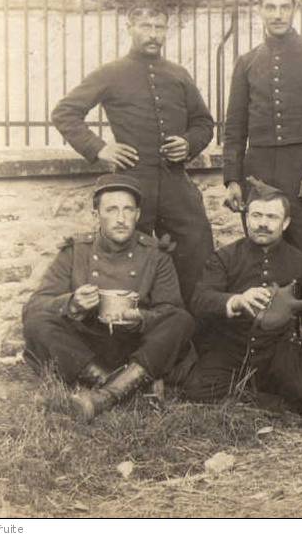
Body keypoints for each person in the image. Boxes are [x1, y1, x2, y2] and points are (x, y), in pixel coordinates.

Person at [51, 5, 215, 304]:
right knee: (131, 260)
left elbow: (204, 123)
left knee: (198, 250)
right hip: (132, 185)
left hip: (176, 184)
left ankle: (193, 333)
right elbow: (64, 113)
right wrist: (100, 148)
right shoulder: (111, 73)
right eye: (145, 26)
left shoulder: (178, 74)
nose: (153, 34)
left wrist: (188, 143)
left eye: (159, 27)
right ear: (130, 27)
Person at [22, 174, 196, 422]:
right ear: (96, 215)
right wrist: (71, 303)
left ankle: (102, 397)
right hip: (86, 349)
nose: (121, 218)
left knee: (182, 320)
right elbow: (34, 307)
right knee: (37, 323)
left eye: (128, 210)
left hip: (137, 347)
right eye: (112, 210)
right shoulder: (76, 251)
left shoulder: (156, 255)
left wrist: (141, 319)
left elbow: (171, 308)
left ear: (137, 215)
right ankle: (121, 384)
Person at [184, 178, 302, 413]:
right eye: (256, 215)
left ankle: (250, 396)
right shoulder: (225, 257)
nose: (263, 224)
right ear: (246, 217)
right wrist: (236, 300)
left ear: (285, 223)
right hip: (231, 347)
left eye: (271, 217)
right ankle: (267, 402)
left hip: (278, 350)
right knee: (196, 390)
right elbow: (199, 299)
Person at [223, 0, 302, 287]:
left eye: (284, 7)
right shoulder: (247, 62)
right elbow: (235, 126)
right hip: (260, 174)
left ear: (294, 9)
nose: (277, 14)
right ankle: (272, 332)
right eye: (270, 7)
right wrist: (233, 179)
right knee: (265, 260)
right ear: (259, 10)